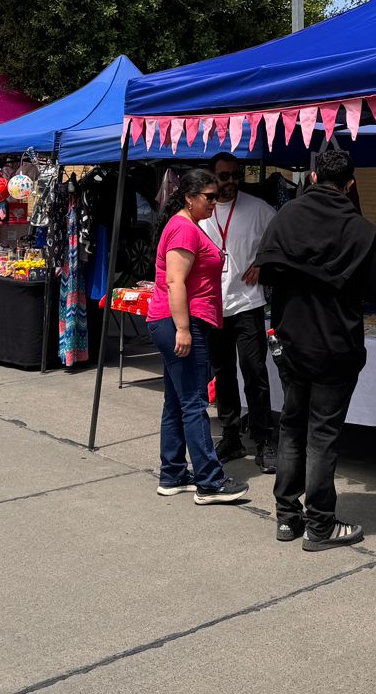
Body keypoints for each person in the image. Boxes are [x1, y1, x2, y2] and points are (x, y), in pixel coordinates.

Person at [255, 148, 376, 551]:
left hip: (293, 341)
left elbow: (266, 271)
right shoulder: (359, 229)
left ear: (312, 177)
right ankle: (321, 525)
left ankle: (287, 517)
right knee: (322, 436)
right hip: (335, 345)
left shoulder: (287, 217)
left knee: (292, 427)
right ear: (350, 184)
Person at [147, 168, 249, 506]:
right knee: (194, 403)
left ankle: (173, 474)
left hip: (178, 321)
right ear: (189, 198)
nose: (215, 201)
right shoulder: (183, 228)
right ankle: (209, 481)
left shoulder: (187, 226)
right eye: (208, 196)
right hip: (178, 321)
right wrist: (184, 329)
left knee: (177, 401)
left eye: (216, 195)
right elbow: (176, 282)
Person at [202, 152, 279, 471]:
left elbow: (281, 241)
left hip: (248, 304)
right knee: (223, 374)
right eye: (225, 176)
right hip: (214, 306)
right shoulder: (201, 212)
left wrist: (263, 264)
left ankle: (263, 440)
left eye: (236, 175)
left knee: (255, 373)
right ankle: (231, 435)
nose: (231, 181)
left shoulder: (259, 209)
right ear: (213, 177)